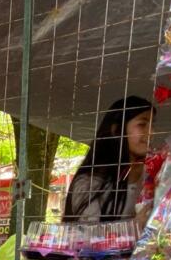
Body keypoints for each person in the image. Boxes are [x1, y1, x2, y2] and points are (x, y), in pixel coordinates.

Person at [63, 96, 156, 224]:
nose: (151, 132)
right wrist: (135, 226)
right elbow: (89, 236)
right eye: (142, 124)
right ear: (116, 130)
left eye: (152, 125)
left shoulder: (152, 175)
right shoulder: (90, 183)